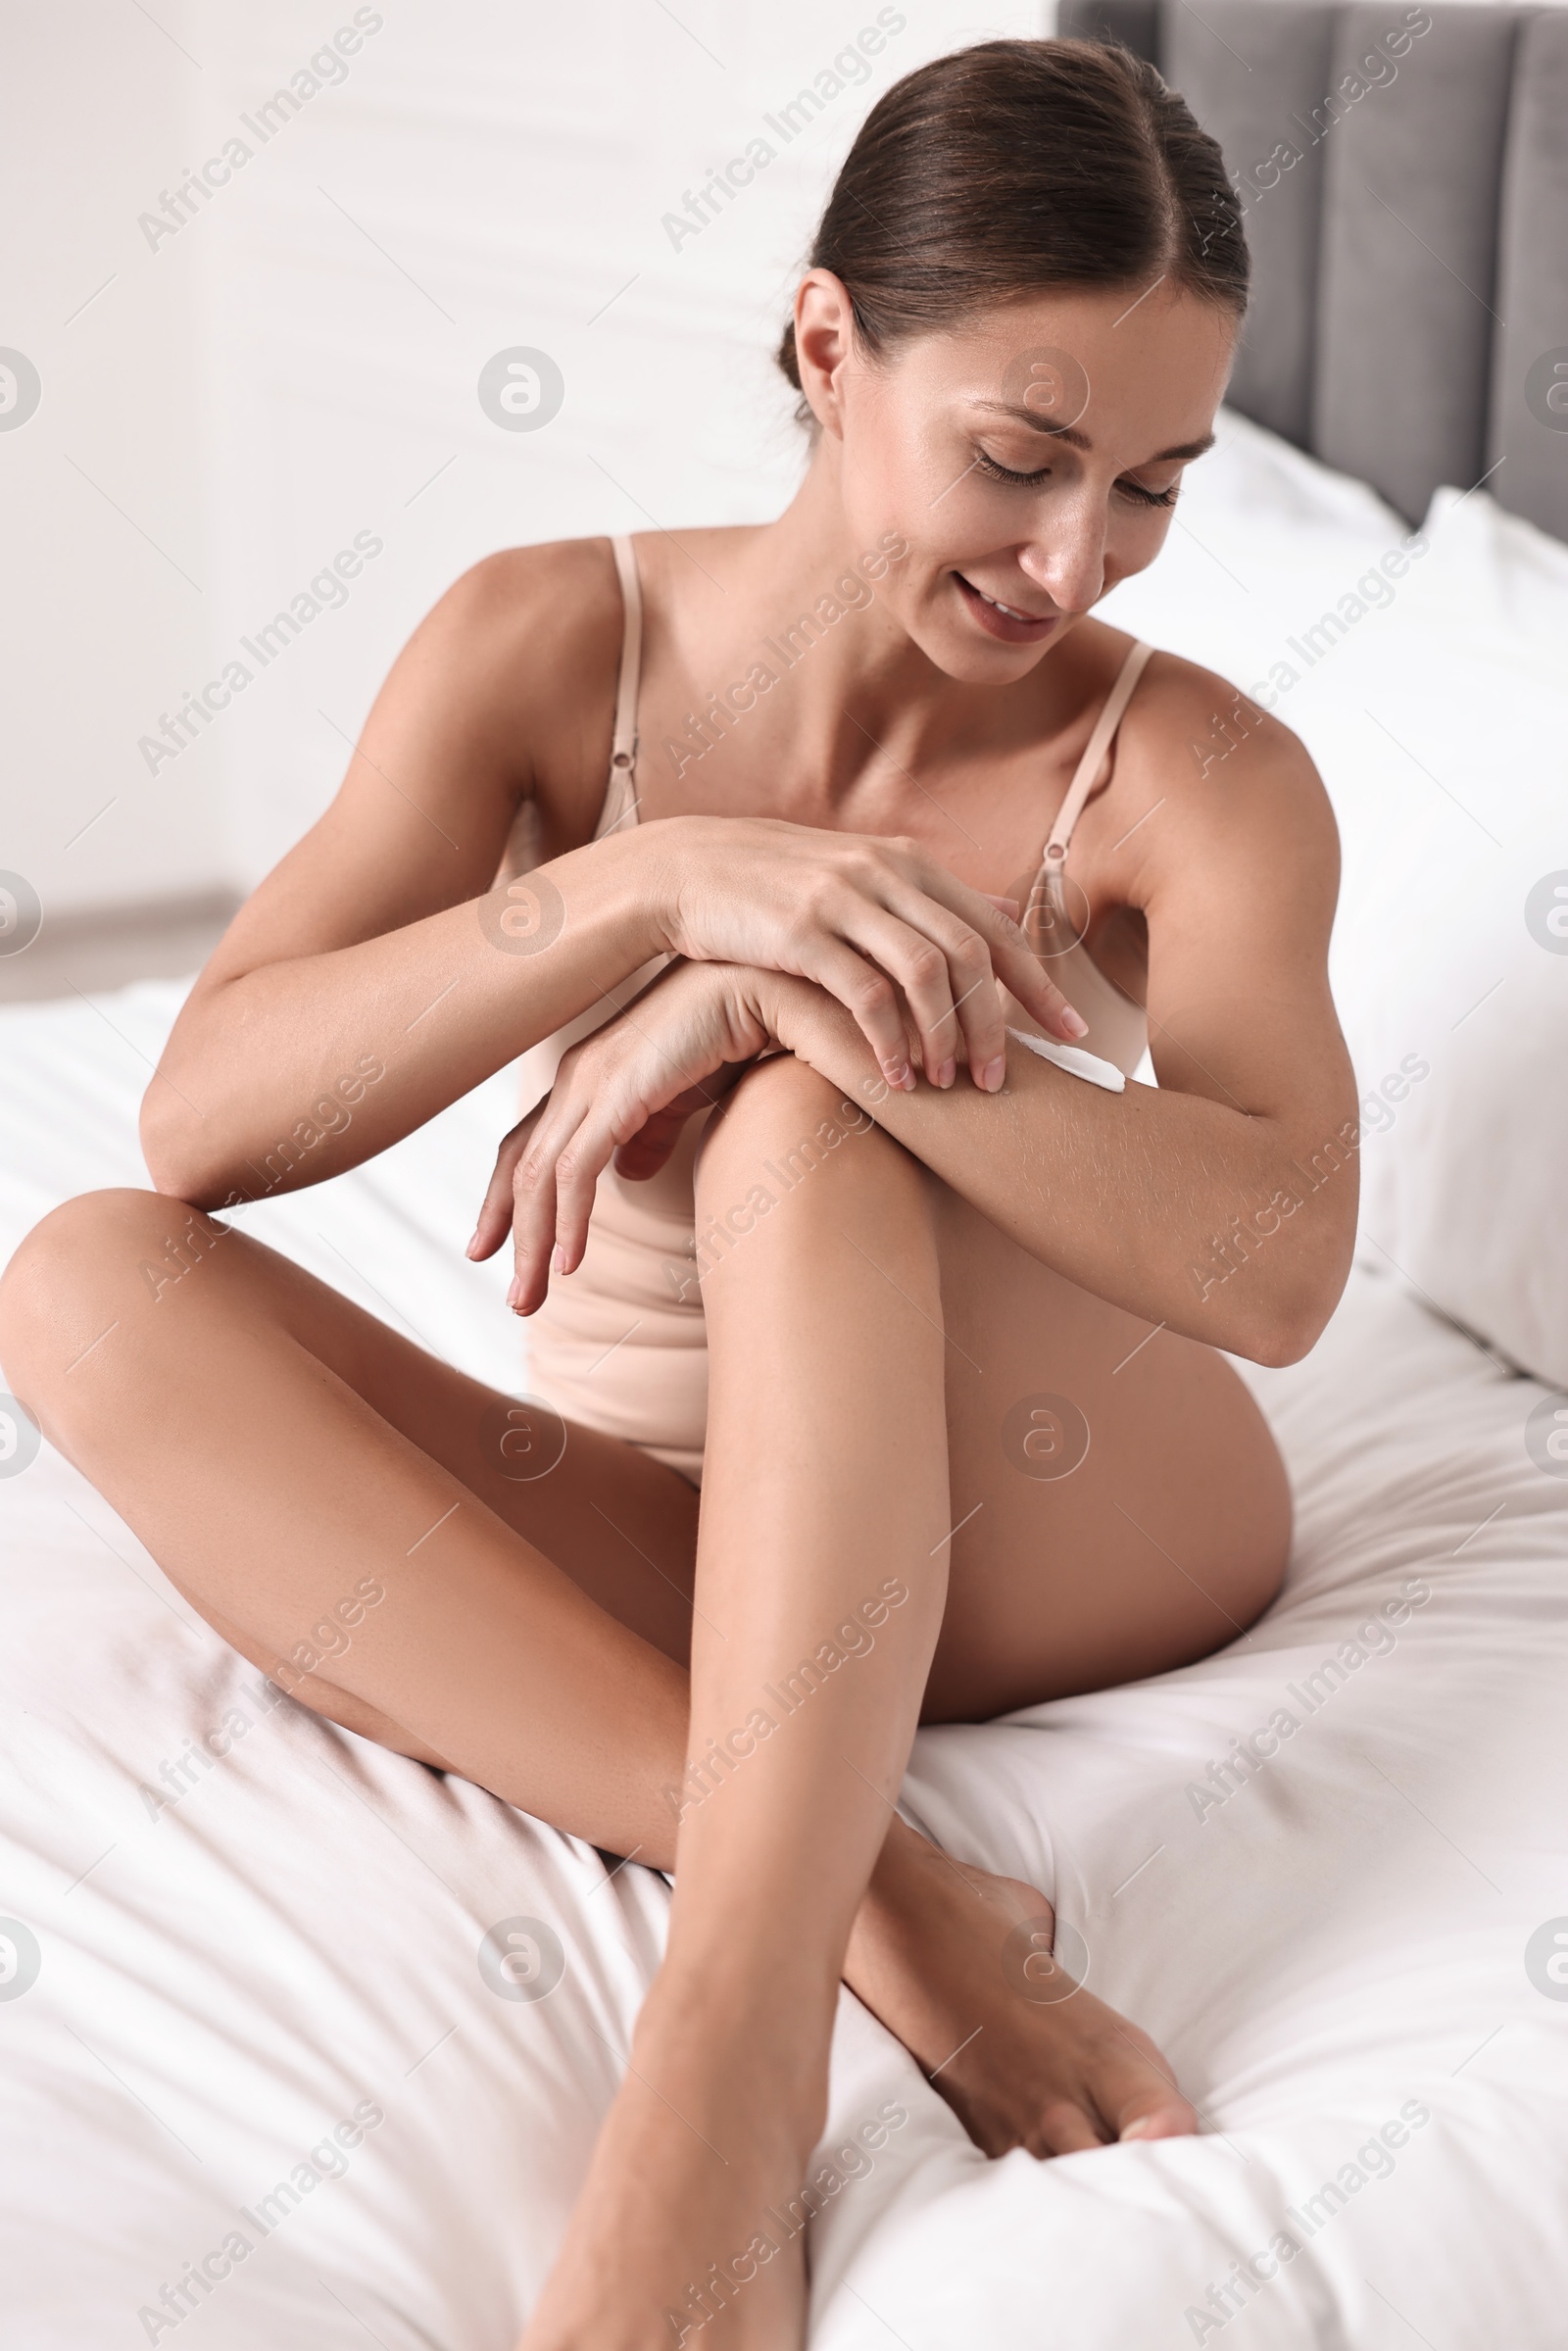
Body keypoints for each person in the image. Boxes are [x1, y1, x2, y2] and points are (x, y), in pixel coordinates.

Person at [0, 37, 1357, 2350]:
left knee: (814, 1115)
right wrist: (661, 888)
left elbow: (1282, 1264)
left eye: (1148, 487)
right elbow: (205, 1123)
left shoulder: (1194, 774)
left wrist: (786, 1011)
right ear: (830, 346)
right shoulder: (550, 647)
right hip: (717, 1533)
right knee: (83, 1285)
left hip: (1077, 1523)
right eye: (1020, 459)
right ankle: (898, 1916)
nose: (1071, 560)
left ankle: (726, 2054)